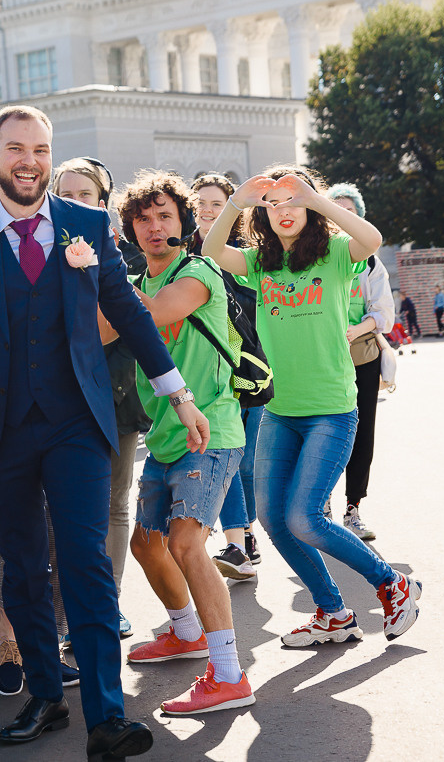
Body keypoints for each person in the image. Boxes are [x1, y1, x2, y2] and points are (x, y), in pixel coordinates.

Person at [0, 105, 209, 758]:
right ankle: (45, 696)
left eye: (40, 149)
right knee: (22, 566)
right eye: (16, 148)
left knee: (86, 561)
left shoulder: (87, 224)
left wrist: (176, 392)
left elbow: (129, 312)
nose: (29, 161)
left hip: (75, 422)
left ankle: (106, 718)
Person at [202, 165, 422, 650]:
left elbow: (373, 238)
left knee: (304, 518)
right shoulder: (260, 263)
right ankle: (333, 613)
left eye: (293, 201)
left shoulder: (338, 254)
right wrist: (237, 201)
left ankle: (393, 584)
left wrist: (315, 198)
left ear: (309, 205)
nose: (284, 211)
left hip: (330, 410)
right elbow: (211, 251)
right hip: (281, 411)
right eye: (273, 204)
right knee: (273, 518)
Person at [113, 170, 255, 715]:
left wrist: (98, 278)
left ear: (183, 221)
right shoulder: (132, 282)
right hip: (165, 435)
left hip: (212, 430)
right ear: (130, 229)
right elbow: (98, 330)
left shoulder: (199, 271)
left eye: (164, 216)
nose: (153, 227)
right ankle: (187, 633)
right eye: (142, 219)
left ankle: (229, 674)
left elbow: (148, 316)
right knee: (146, 544)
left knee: (186, 543)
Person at [54, 156, 145, 635]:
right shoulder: (39, 252)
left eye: (84, 195)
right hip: (56, 399)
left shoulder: (127, 258)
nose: (74, 203)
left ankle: (109, 602)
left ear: (103, 203)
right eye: (65, 194)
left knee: (114, 503)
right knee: (62, 510)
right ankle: (69, 609)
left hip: (115, 395)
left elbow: (124, 329)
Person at [190, 173, 262, 582]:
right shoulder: (180, 253)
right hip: (207, 371)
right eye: (200, 203)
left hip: (249, 367)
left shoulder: (244, 256)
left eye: (216, 204)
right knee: (227, 453)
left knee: (245, 462)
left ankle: (244, 534)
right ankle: (238, 542)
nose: (207, 210)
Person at [327, 183, 395, 543]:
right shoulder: (315, 257)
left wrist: (357, 329)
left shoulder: (369, 262)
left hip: (361, 357)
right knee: (322, 434)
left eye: (349, 212)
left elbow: (384, 313)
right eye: (335, 210)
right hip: (321, 360)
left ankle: (353, 509)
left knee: (361, 434)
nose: (342, 218)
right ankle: (320, 506)